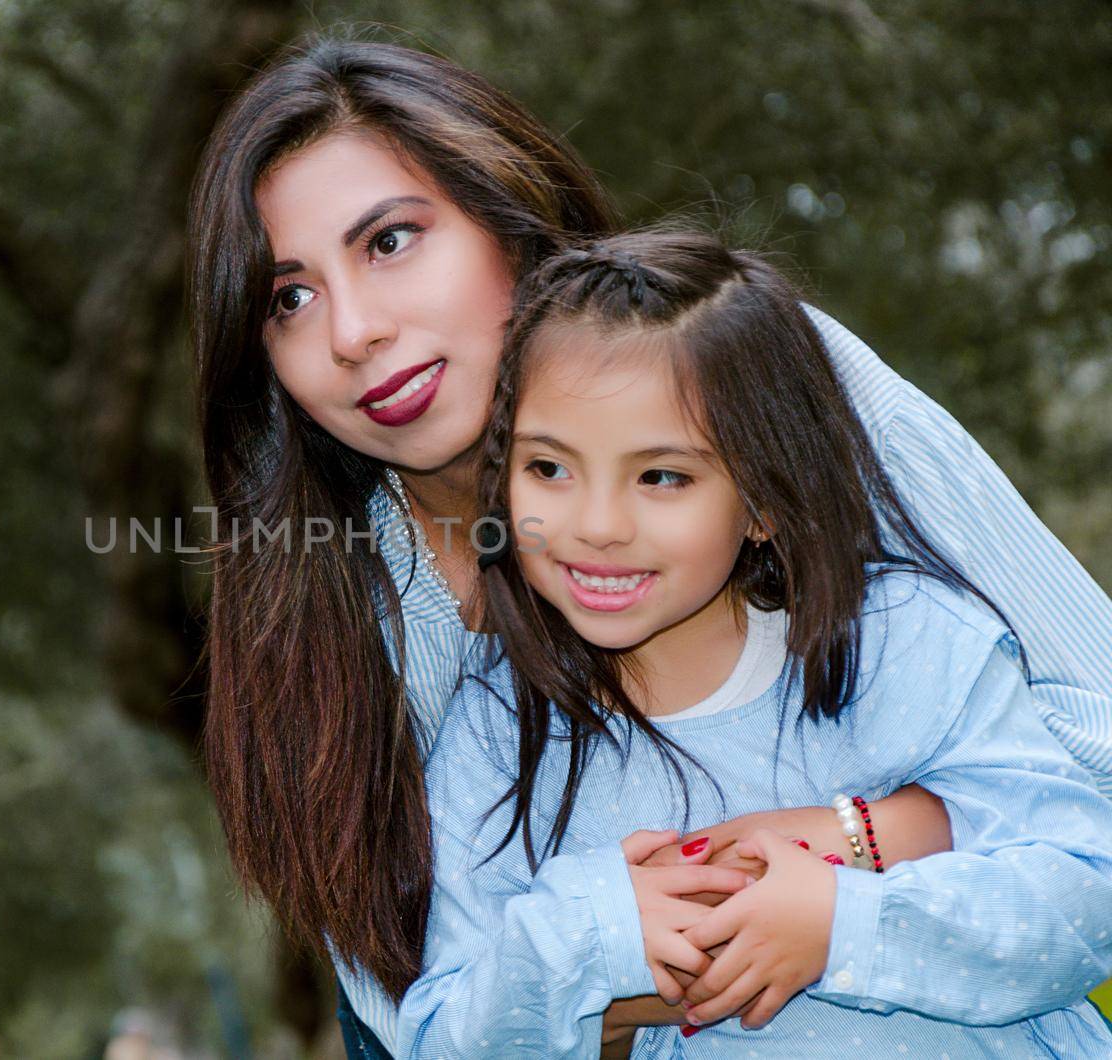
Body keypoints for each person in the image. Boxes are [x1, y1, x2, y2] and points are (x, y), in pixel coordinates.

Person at [185, 34, 1112, 1055]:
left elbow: (1090, 747)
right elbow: (418, 1016)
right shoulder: (336, 617)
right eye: (290, 297)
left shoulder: (771, 381)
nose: (352, 329)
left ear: (502, 214)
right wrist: (617, 947)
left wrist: (854, 841)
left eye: (390, 241)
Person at [397, 229, 1112, 1056]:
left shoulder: (902, 643)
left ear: (764, 499)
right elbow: (443, 1040)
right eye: (549, 468)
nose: (595, 526)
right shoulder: (499, 736)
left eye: (662, 476)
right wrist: (594, 934)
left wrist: (844, 923)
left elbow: (1084, 889)